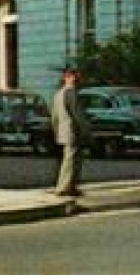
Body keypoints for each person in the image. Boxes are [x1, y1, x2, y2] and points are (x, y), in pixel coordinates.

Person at [50, 66, 94, 197]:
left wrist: (56, 130)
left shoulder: (58, 94)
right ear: (67, 78)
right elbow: (77, 114)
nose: (76, 79)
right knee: (72, 160)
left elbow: (54, 116)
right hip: (72, 130)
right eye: (74, 76)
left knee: (70, 159)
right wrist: (87, 130)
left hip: (63, 131)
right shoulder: (71, 93)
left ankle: (70, 186)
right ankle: (64, 187)